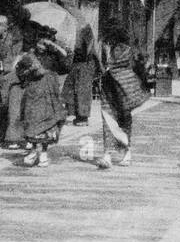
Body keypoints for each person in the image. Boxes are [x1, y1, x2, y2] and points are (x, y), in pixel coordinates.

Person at [13, 23, 69, 167]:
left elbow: (66, 66)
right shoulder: (29, 56)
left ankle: (43, 153)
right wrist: (31, 70)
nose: (41, 46)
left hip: (50, 92)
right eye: (39, 42)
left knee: (48, 122)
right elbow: (19, 72)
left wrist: (55, 48)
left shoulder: (54, 56)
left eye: (45, 42)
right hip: (34, 92)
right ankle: (32, 150)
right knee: (32, 120)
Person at [97, 18, 146, 168]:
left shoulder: (121, 48)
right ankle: (114, 154)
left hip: (117, 87)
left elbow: (112, 65)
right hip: (117, 87)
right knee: (114, 118)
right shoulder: (115, 47)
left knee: (116, 118)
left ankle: (119, 153)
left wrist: (106, 60)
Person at [0, 14, 23, 144]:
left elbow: (15, 60)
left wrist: (2, 65)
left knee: (8, 102)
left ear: (4, 28)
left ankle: (11, 134)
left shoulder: (15, 40)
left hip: (10, 76)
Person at [61, 20, 97, 126]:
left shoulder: (85, 31)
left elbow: (87, 51)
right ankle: (76, 113)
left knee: (82, 91)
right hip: (77, 64)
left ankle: (83, 117)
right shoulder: (75, 31)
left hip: (84, 64)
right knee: (71, 89)